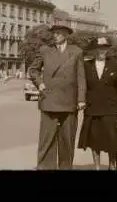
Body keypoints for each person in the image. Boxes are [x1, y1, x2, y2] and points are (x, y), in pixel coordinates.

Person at [28, 24, 86, 170]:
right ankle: (45, 167)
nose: (56, 35)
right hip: (49, 99)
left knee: (67, 139)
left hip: (69, 101)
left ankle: (66, 167)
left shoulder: (76, 51)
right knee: (47, 138)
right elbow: (33, 69)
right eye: (54, 33)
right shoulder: (45, 51)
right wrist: (39, 84)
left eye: (59, 33)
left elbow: (81, 77)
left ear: (67, 34)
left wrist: (81, 99)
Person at [78, 37, 117, 170]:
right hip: (92, 107)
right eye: (99, 48)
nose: (102, 51)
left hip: (110, 108)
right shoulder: (86, 66)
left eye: (105, 48)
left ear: (108, 49)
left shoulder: (115, 65)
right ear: (94, 50)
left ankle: (112, 165)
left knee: (112, 139)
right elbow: (82, 86)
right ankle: (97, 167)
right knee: (94, 139)